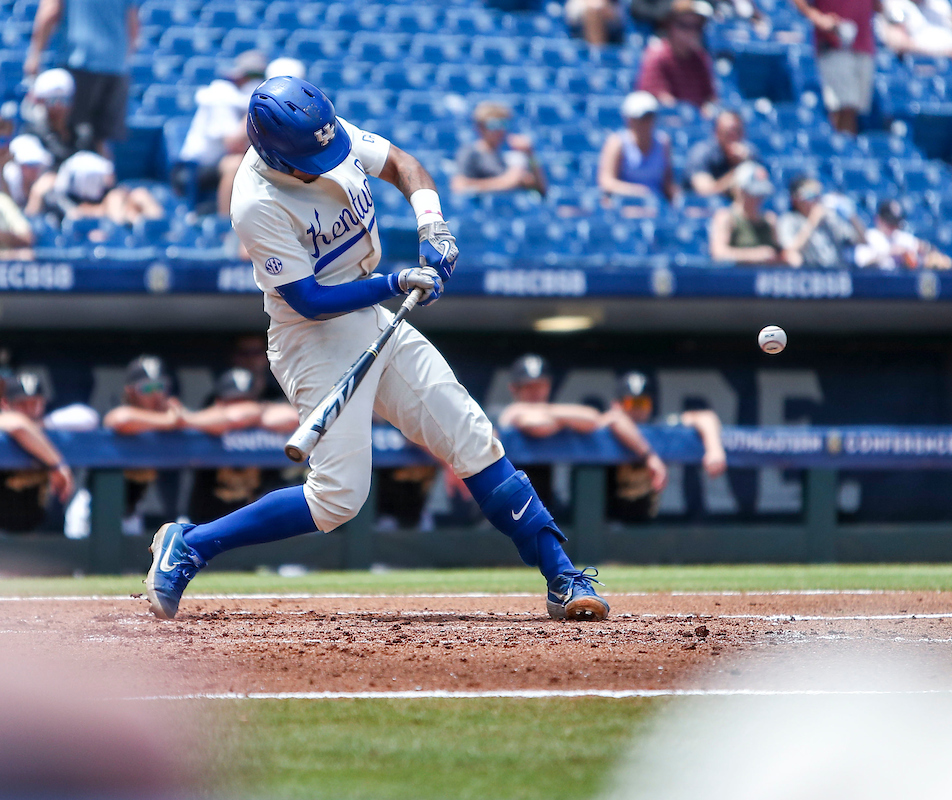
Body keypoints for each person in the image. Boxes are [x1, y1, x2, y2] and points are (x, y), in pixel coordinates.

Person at [143, 77, 610, 623]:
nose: (329, 155)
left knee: (471, 435)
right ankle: (191, 544)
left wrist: (432, 223)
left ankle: (561, 575)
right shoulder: (256, 201)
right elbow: (309, 300)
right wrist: (392, 283)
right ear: (276, 152)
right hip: (311, 337)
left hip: (369, 314)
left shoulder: (321, 133)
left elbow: (404, 165)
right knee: (337, 498)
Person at [499, 354, 669, 507]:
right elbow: (534, 425)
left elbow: (593, 419)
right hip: (503, 508)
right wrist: (565, 418)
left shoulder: (550, 414)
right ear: (514, 388)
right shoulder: (508, 413)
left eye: (541, 385)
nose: (536, 392)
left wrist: (554, 416)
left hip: (540, 507)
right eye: (529, 386)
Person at [24, 0, 139, 156]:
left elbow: (50, 11)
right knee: (101, 142)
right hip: (117, 67)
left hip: (81, 61)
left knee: (71, 134)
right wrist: (119, 59)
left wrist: (35, 54)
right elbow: (134, 26)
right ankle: (105, 178)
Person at [607, 371, 725, 522]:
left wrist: (714, 449)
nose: (637, 409)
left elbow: (704, 417)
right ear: (616, 404)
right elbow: (615, 419)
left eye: (642, 403)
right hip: (607, 523)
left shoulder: (658, 428)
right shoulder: (606, 425)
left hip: (645, 523)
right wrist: (650, 457)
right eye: (631, 403)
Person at [184, 368, 298, 524]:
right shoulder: (208, 419)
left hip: (260, 525)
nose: (241, 406)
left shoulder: (265, 413)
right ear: (219, 401)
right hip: (208, 520)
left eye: (246, 400)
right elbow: (231, 417)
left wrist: (254, 413)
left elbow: (292, 417)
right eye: (234, 400)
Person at [173, 50, 268, 216]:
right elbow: (233, 143)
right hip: (195, 168)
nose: (255, 81)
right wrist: (255, 110)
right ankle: (226, 224)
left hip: (218, 163)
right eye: (252, 75)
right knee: (235, 164)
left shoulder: (244, 99)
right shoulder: (220, 94)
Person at [104, 356, 186, 536]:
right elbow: (119, 420)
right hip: (97, 508)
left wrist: (178, 417)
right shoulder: (124, 410)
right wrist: (170, 420)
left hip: (132, 509)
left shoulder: (168, 419)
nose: (155, 394)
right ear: (131, 391)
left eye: (160, 386)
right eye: (147, 388)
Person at [790, 0, 882, 134]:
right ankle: (841, 150)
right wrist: (818, 18)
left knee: (855, 108)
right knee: (843, 106)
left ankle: (848, 149)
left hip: (863, 44)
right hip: (834, 43)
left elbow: (878, 7)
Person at [0, 372, 75, 533]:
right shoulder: (5, 422)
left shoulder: (48, 427)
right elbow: (17, 425)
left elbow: (89, 416)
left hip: (39, 536)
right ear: (5, 403)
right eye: (22, 404)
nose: (29, 410)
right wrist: (58, 465)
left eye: (35, 403)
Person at [27, 149, 163, 232]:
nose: (107, 181)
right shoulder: (59, 199)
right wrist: (108, 210)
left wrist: (137, 218)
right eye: (100, 178)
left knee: (140, 195)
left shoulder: (122, 196)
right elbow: (76, 214)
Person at [634, 0, 718, 112]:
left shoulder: (700, 58)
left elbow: (710, 98)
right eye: (684, 25)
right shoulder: (657, 55)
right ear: (669, 26)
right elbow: (663, 101)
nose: (691, 32)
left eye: (696, 26)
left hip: (695, 123)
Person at [597, 91, 679, 202]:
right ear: (629, 119)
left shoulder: (663, 142)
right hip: (625, 205)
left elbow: (667, 183)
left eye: (650, 117)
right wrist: (637, 192)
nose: (646, 122)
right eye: (642, 118)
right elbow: (606, 181)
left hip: (656, 206)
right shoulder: (617, 143)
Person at [450, 102, 546, 195]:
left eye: (503, 124)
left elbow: (541, 189)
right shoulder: (470, 153)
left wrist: (530, 155)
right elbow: (458, 186)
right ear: (480, 127)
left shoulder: (505, 156)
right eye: (493, 125)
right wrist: (507, 181)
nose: (500, 130)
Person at [776, 176, 866, 268]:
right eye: (810, 195)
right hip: (809, 274)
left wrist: (852, 215)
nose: (817, 200)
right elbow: (789, 251)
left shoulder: (830, 219)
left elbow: (862, 241)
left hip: (836, 273)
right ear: (795, 199)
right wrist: (812, 222)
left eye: (818, 195)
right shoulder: (788, 220)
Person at [709, 162, 786, 264]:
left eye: (761, 194)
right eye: (753, 193)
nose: (758, 198)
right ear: (739, 190)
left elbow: (781, 254)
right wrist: (754, 255)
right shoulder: (726, 217)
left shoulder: (770, 220)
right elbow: (718, 253)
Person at [854, 198, 952, 269]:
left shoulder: (900, 237)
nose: (894, 227)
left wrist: (929, 253)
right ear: (878, 219)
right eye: (890, 223)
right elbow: (861, 264)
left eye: (896, 223)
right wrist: (889, 252)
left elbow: (923, 247)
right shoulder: (869, 237)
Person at [687, 110, 756, 196]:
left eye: (738, 131)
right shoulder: (701, 153)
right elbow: (705, 192)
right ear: (716, 133)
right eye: (728, 133)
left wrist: (747, 161)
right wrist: (741, 169)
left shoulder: (749, 154)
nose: (734, 136)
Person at [876, 0, 952, 59]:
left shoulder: (939, 3)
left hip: (947, 67)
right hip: (918, 66)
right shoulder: (896, 4)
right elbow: (898, 42)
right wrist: (943, 51)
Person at [22, 68, 77, 166]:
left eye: (64, 100)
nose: (58, 106)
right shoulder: (32, 134)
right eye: (53, 100)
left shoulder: (82, 134)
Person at [3, 134, 54, 211]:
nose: (34, 169)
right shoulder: (8, 180)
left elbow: (54, 178)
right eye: (29, 164)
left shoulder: (43, 177)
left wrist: (36, 192)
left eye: (36, 164)